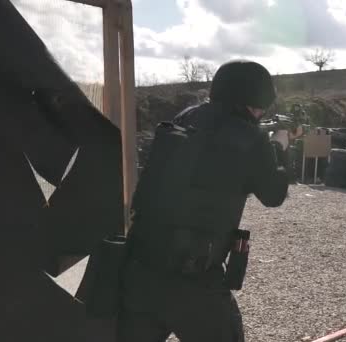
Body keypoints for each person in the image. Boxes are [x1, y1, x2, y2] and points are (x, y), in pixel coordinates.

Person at [117, 60, 289, 342]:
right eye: (260, 106)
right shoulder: (252, 139)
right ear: (252, 100)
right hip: (193, 280)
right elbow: (273, 195)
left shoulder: (184, 118)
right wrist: (280, 150)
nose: (261, 113)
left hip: (140, 266)